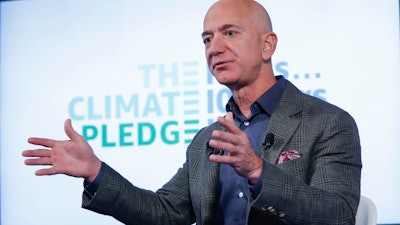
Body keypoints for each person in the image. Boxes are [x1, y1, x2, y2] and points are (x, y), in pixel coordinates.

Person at [22, 0, 362, 224]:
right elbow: (165, 213)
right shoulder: (206, 142)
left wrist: (259, 171)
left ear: (267, 45)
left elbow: (339, 214)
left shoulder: (328, 123)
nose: (215, 47)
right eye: (207, 39)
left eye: (230, 33)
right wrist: (96, 172)